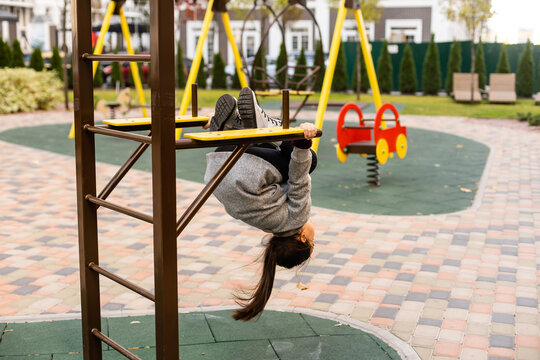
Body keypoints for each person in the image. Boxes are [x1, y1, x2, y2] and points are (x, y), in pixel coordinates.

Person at [204, 87, 318, 321]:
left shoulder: (298, 219)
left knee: (309, 161)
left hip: (246, 166)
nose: (314, 233)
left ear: (302, 238)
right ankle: (235, 129)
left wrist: (302, 141)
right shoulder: (267, 222)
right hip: (218, 166)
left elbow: (299, 179)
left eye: (313, 240)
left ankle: (265, 128)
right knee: (283, 169)